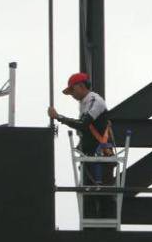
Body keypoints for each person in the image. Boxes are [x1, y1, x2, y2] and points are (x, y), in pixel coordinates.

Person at [48, 72, 116, 222]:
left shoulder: (95, 100)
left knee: (104, 195)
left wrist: (59, 117)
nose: (72, 95)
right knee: (89, 195)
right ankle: (91, 228)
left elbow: (83, 125)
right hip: (92, 156)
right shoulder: (85, 103)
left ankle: (108, 230)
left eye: (72, 90)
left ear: (81, 86)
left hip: (100, 156)